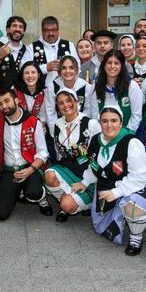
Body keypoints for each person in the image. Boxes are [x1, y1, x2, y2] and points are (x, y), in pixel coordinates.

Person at [72, 106, 146, 256]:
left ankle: (136, 238)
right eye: (105, 121)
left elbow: (138, 177)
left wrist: (116, 192)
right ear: (100, 123)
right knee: (102, 226)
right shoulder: (96, 140)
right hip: (111, 183)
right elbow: (93, 166)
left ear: (121, 122)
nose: (109, 125)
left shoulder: (132, 142)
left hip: (143, 182)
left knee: (133, 206)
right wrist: (85, 182)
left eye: (114, 121)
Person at [0, 88, 52, 220]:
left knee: (33, 193)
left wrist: (30, 170)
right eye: (0, 104)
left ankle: (42, 200)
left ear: (17, 100)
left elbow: (43, 152)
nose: (4, 106)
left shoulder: (33, 121)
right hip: (10, 171)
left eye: (7, 101)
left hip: (30, 166)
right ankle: (16, 192)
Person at [45, 88, 100, 221]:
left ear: (75, 101)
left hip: (88, 173)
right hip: (68, 169)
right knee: (49, 175)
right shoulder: (57, 124)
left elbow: (99, 158)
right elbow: (59, 154)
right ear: (58, 107)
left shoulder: (91, 124)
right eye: (61, 103)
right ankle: (66, 200)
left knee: (67, 205)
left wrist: (87, 181)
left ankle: (81, 203)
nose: (65, 105)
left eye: (68, 101)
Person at [0, 15, 31, 114]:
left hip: (17, 98)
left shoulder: (26, 50)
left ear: (23, 31)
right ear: (7, 29)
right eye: (14, 26)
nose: (17, 29)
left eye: (21, 27)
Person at [93, 50, 143, 132]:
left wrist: (125, 135)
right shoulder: (96, 86)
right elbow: (94, 114)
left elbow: (136, 116)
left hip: (127, 135)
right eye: (109, 63)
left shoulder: (132, 86)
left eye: (116, 63)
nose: (112, 66)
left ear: (121, 66)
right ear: (104, 65)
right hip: (103, 134)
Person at [44, 55, 97, 131]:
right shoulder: (52, 87)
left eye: (71, 68)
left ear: (76, 70)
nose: (67, 71)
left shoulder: (86, 87)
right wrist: (56, 132)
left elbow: (88, 111)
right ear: (59, 71)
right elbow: (50, 113)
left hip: (81, 128)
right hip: (60, 128)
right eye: (64, 68)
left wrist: (80, 129)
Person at [27, 16, 78, 85]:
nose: (51, 33)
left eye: (54, 30)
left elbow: (77, 67)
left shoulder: (69, 45)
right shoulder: (31, 48)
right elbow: (25, 70)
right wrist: (45, 68)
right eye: (47, 30)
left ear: (58, 30)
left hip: (65, 90)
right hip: (40, 92)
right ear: (42, 31)